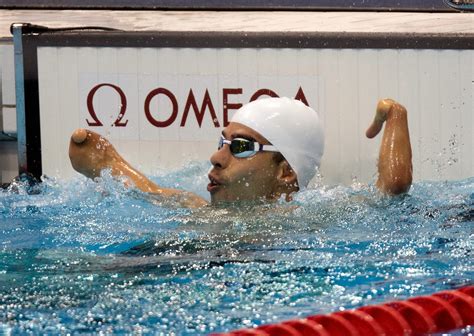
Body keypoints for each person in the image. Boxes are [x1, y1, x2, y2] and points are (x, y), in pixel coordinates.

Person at [69, 97, 412, 208]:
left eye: (242, 147)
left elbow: (390, 191)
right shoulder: (200, 209)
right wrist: (110, 166)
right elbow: (154, 193)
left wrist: (394, 115)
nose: (216, 157)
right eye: (223, 143)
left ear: (286, 172)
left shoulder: (312, 219)